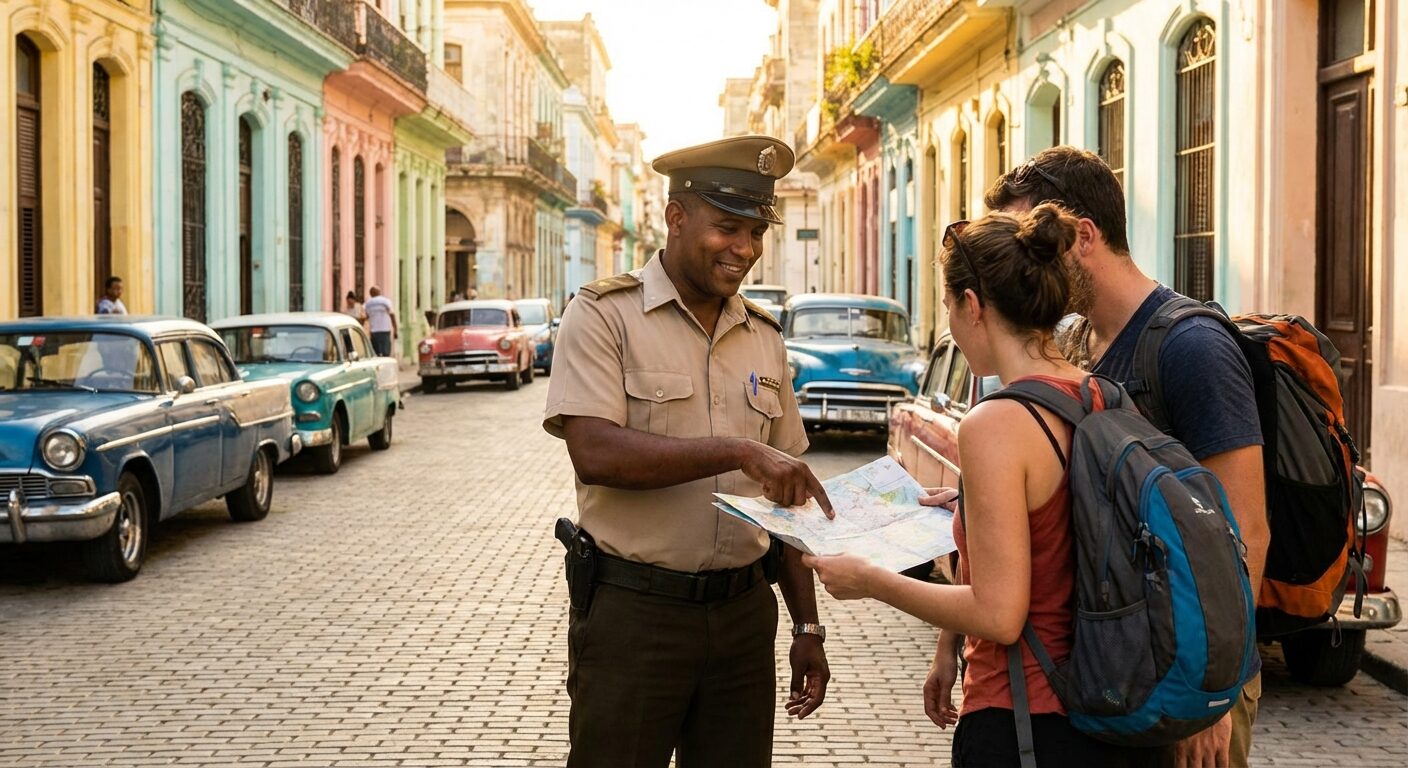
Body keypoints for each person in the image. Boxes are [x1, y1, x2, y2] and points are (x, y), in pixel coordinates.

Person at [806, 205, 1174, 767]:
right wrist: (949, 641)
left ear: (972, 306)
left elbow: (1001, 614)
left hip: (1029, 720)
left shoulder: (996, 423)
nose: (952, 324)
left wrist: (872, 580)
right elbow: (1071, 518)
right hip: (1117, 711)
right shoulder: (1102, 393)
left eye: (950, 308)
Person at [543, 135, 834, 768]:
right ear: (676, 218)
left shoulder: (764, 337)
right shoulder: (603, 316)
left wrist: (806, 626)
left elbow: (786, 505)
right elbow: (595, 452)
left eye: (756, 232)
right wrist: (738, 451)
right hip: (634, 617)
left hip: (743, 620)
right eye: (728, 228)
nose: (746, 249)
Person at [984, 147, 1268, 768]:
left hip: (1193, 674)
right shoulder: (1074, 341)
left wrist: (1206, 698)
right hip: (1123, 666)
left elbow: (1246, 528)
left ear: (1083, 236)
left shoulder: (1191, 346)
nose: (1020, 268)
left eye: (1034, 243)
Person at [363, 286, 397, 358]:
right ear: (379, 292)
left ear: (371, 294)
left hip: (374, 331)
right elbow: (392, 315)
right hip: (385, 330)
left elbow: (365, 316)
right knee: (386, 353)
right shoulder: (386, 301)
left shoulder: (367, 303)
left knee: (376, 354)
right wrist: (395, 329)